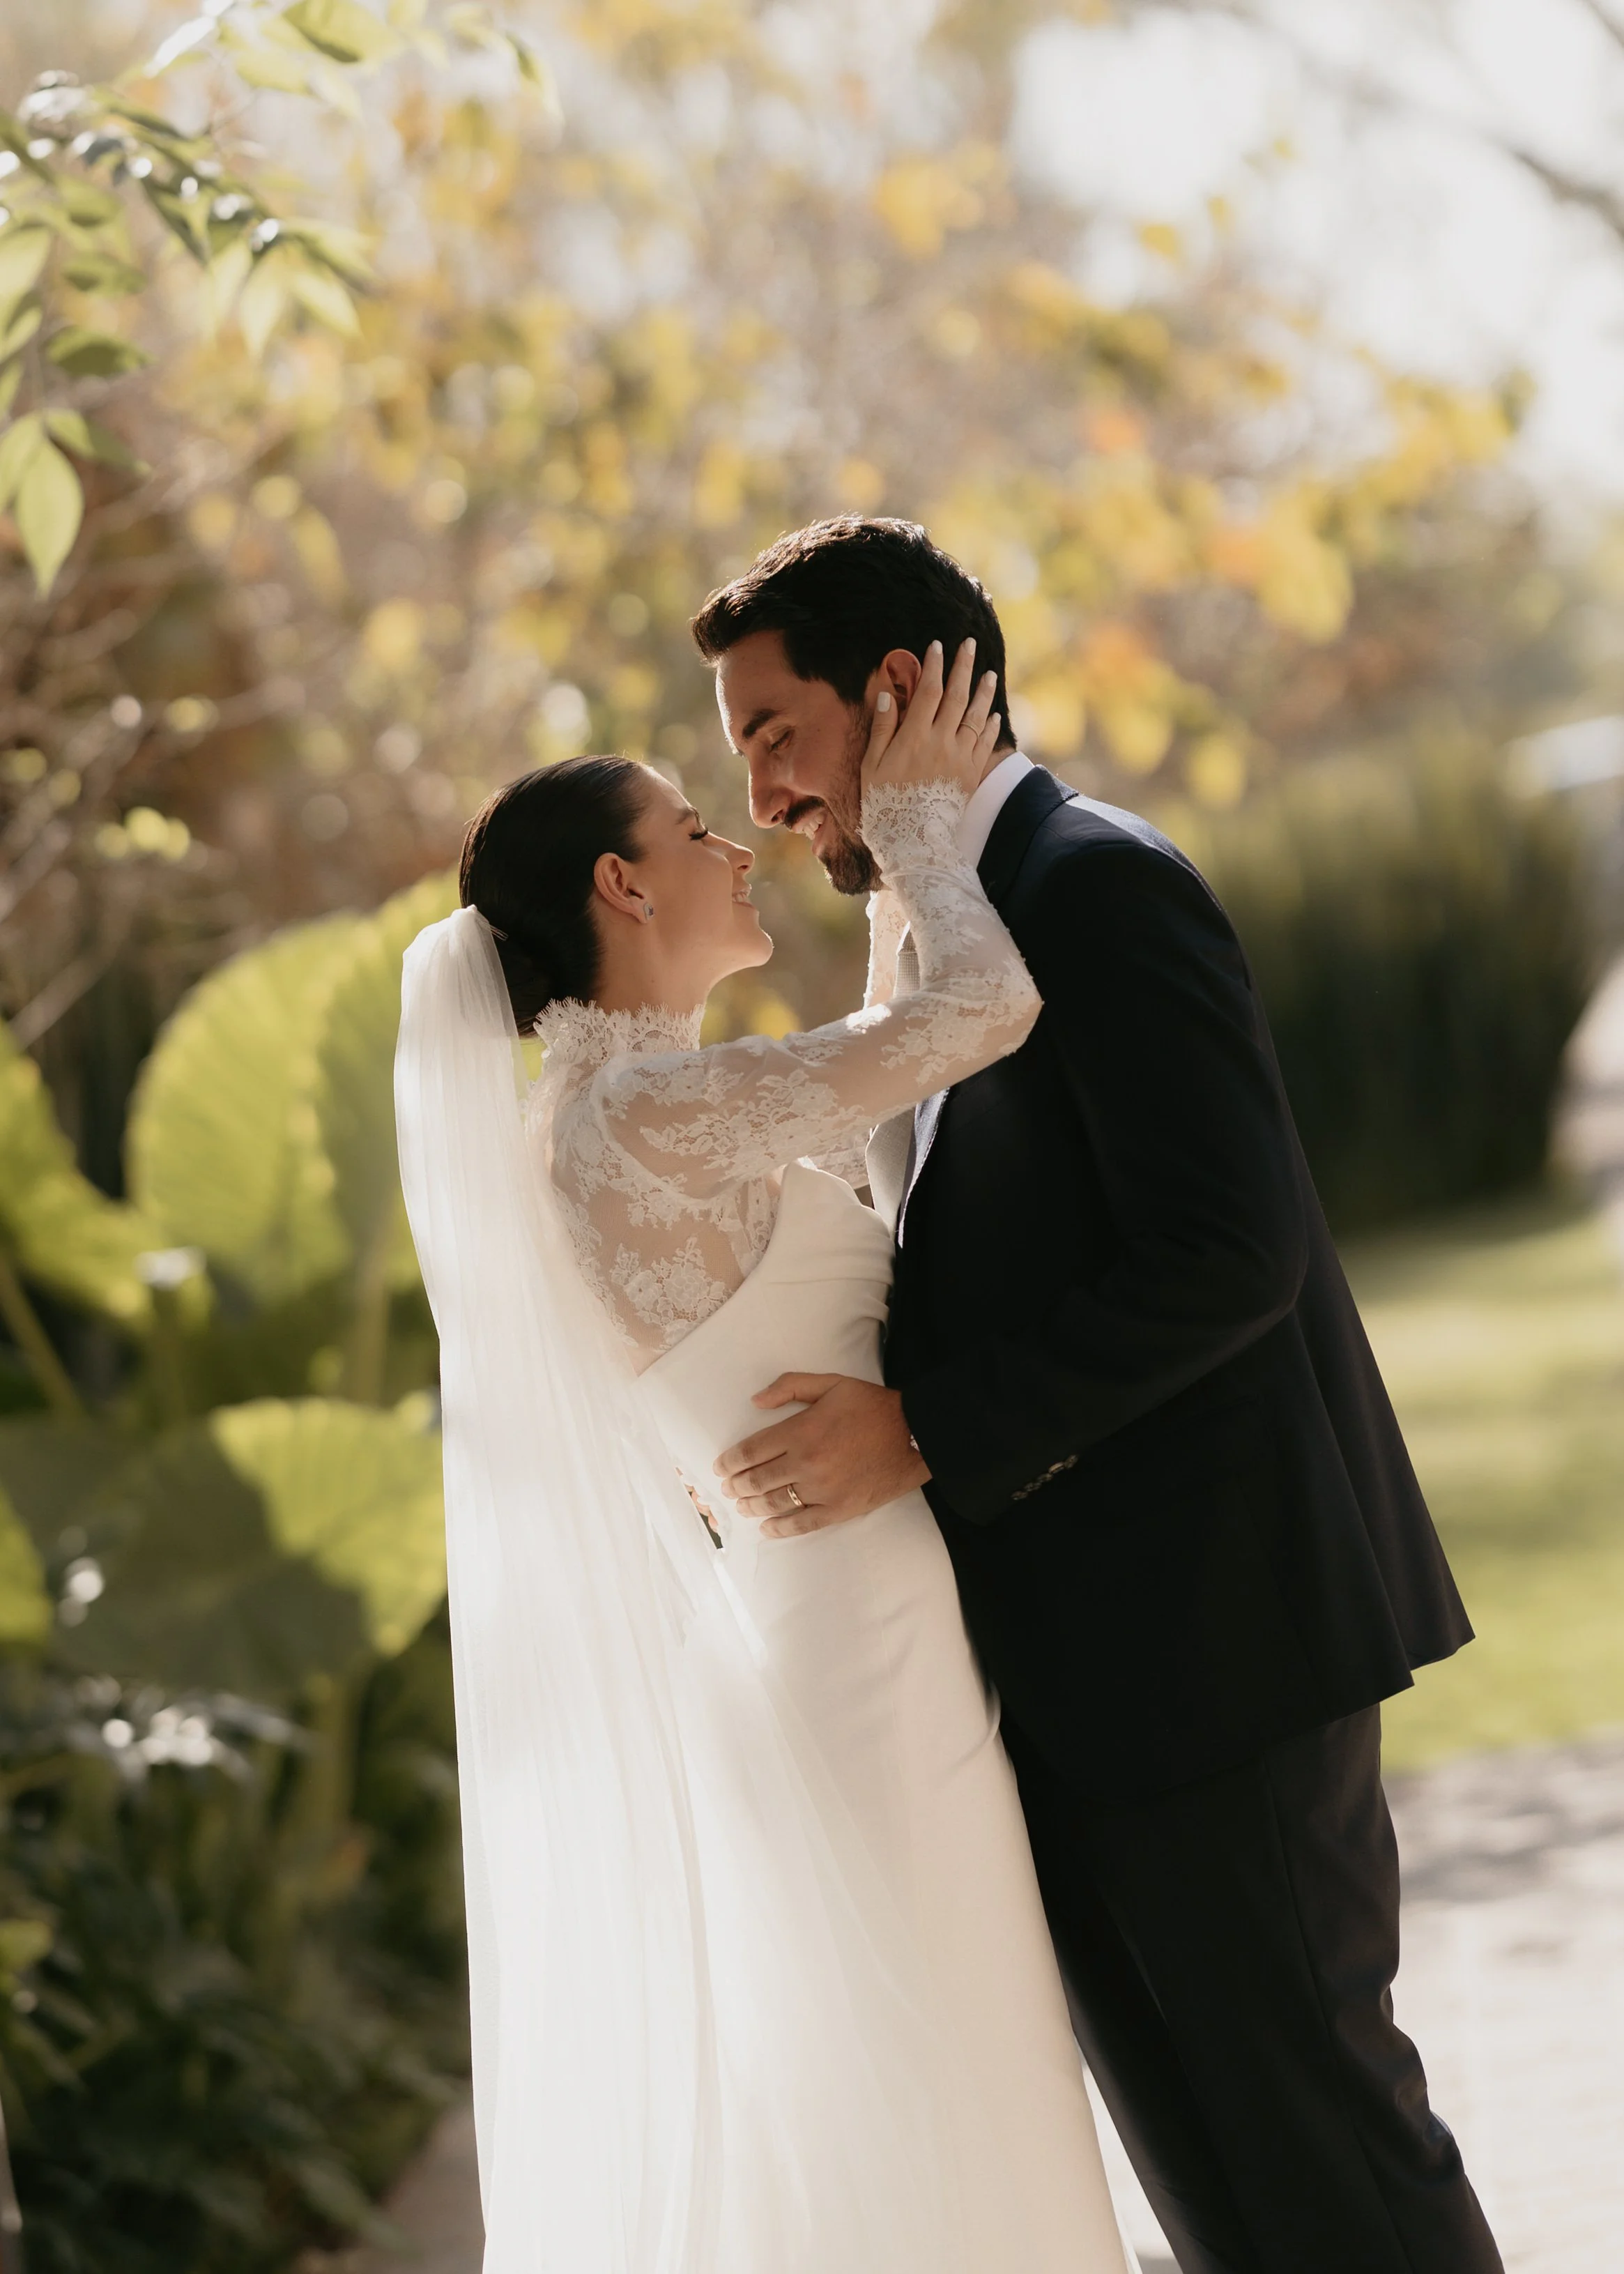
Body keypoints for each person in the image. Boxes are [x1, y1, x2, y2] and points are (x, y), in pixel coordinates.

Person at [696, 514, 1506, 2274]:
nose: (758, 793)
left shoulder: (1092, 884)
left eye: (772, 731)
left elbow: (1229, 1252)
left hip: (1218, 1652)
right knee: (1223, 2196)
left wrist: (921, 1434)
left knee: (1328, 2154)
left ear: (892, 688)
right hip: (1077, 1683)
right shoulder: (941, 928)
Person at [394, 639, 1139, 2271]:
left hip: (837, 1619)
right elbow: (982, 1011)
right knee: (957, 2099)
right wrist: (920, 828)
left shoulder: (635, 1106)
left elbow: (871, 1069)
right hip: (855, 1647)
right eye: (690, 827)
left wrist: (895, 883)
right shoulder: (631, 1117)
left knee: (945, 2091)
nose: (734, 844)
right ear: (622, 884)